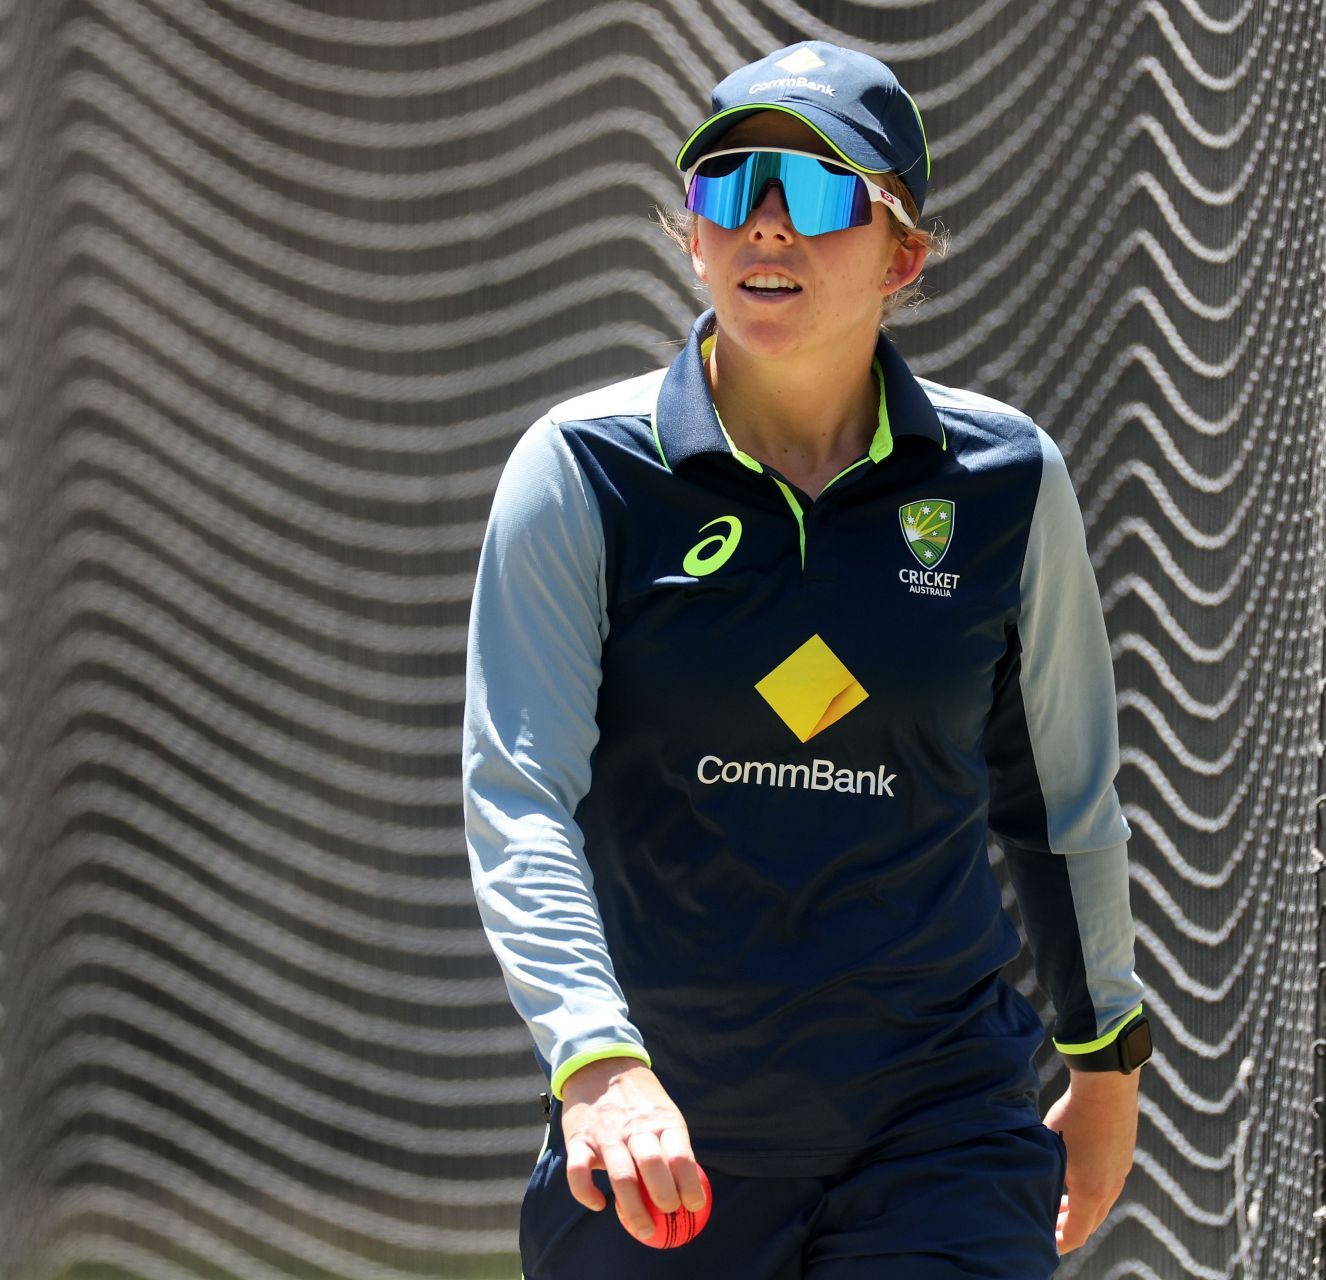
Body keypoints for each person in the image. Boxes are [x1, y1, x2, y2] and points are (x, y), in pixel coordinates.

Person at [464, 40, 1151, 1280]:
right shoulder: (580, 471)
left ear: (904, 256)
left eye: (821, 192)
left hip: (940, 1126)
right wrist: (598, 1064)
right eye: (733, 189)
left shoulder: (1005, 482)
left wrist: (1103, 1064)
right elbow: (519, 795)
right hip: (663, 1130)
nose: (767, 227)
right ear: (691, 234)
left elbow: (1059, 796)